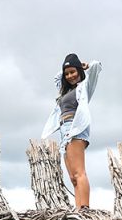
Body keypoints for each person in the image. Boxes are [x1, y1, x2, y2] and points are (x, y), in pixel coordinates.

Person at [41, 53, 102, 210]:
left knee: (79, 172)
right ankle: (78, 209)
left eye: (73, 72)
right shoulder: (64, 90)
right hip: (63, 131)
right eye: (67, 73)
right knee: (73, 177)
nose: (70, 76)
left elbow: (96, 66)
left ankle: (85, 209)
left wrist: (81, 66)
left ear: (79, 71)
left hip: (76, 129)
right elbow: (56, 78)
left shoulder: (85, 86)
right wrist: (67, 67)